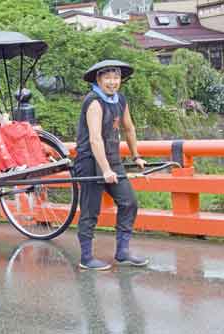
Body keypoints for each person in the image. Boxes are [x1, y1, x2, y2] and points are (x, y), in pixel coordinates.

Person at [74, 60, 149, 271]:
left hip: (113, 159)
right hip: (90, 160)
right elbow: (95, 139)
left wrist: (136, 156)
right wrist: (105, 169)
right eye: (107, 78)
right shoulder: (94, 102)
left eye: (116, 78)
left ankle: (123, 252)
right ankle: (86, 257)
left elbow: (129, 128)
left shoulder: (120, 100)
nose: (112, 82)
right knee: (90, 209)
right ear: (99, 80)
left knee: (129, 202)